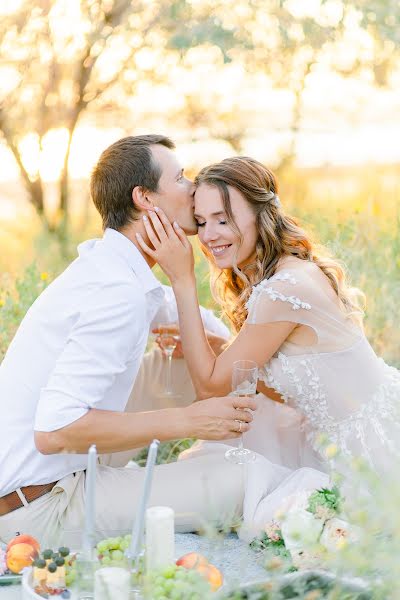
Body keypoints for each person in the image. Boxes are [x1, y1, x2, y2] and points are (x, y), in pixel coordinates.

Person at [0, 136, 257, 549]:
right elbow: (53, 430)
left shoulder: (113, 264)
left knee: (178, 364)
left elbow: (189, 322)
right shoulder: (117, 292)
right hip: (39, 506)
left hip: (58, 465)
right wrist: (191, 421)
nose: (193, 187)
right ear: (145, 199)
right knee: (247, 482)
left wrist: (187, 286)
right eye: (179, 177)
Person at [136, 155, 400, 532]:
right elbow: (280, 381)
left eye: (223, 219)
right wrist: (220, 347)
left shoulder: (285, 287)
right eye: (202, 221)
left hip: (372, 452)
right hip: (332, 438)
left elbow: (211, 386)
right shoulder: (277, 273)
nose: (209, 236)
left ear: (262, 215)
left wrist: (182, 279)